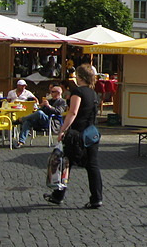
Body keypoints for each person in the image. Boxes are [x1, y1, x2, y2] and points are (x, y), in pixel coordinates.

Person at [45, 64, 102, 208]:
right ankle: (96, 198)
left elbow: (73, 112)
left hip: (77, 134)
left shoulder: (78, 92)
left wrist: (62, 130)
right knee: (92, 166)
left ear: (80, 77)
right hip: (91, 133)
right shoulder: (92, 92)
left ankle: (58, 195)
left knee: (65, 163)